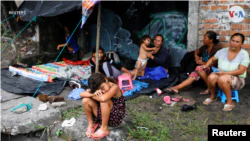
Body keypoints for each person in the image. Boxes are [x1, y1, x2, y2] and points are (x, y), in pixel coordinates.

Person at [202, 33, 249, 111]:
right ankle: (212, 97)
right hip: (222, 74)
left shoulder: (244, 54)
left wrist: (224, 73)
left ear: (242, 44)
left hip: (238, 79)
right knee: (211, 76)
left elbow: (241, 71)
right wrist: (206, 65)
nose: (234, 43)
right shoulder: (222, 51)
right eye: (233, 40)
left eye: (237, 42)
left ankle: (230, 102)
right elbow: (212, 59)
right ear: (230, 41)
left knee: (223, 78)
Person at [80, 72, 126, 139]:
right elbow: (82, 94)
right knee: (85, 100)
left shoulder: (114, 87)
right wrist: (93, 93)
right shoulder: (97, 87)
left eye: (102, 87)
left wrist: (93, 95)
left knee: (104, 101)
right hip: (103, 116)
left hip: (115, 118)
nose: (102, 91)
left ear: (106, 79)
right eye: (99, 89)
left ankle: (104, 128)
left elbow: (103, 98)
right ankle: (91, 123)